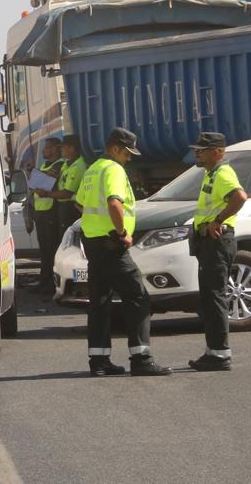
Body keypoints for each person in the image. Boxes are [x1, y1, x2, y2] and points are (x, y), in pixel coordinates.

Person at [75, 127, 171, 377]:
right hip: (112, 244)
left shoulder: (93, 168)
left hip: (93, 244)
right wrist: (121, 233)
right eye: (127, 153)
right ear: (115, 148)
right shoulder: (113, 169)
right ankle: (141, 358)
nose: (129, 158)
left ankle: (99, 362)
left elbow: (79, 202)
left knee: (100, 302)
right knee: (138, 296)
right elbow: (114, 202)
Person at [188, 132, 248, 371]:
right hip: (209, 243)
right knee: (210, 298)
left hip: (217, 242)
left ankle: (220, 354)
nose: (197, 153)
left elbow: (239, 197)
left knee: (214, 298)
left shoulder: (222, 173)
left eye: (202, 150)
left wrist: (218, 220)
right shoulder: (210, 174)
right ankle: (214, 351)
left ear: (217, 152)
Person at [29, 138, 65, 294]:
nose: (44, 151)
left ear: (57, 148)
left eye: (47, 148)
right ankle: (44, 281)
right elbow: (36, 181)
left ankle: (50, 284)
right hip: (41, 213)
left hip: (50, 212)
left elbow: (44, 181)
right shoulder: (45, 165)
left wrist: (36, 174)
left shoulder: (59, 164)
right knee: (44, 250)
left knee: (51, 249)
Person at [49, 135, 87, 234]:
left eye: (63, 147)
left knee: (69, 238)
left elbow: (67, 193)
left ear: (72, 148)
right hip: (64, 207)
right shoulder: (67, 163)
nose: (60, 149)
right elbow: (62, 180)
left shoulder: (78, 166)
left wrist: (46, 194)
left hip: (71, 208)